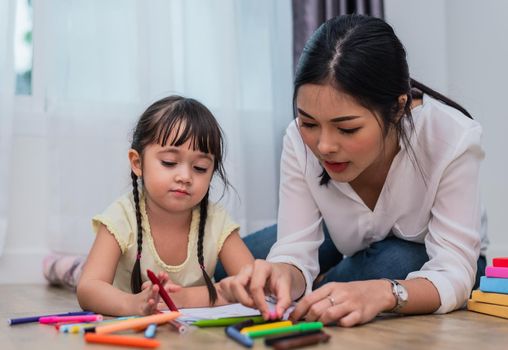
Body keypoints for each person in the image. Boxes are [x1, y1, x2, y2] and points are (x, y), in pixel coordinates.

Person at [219, 14, 488, 327]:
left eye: (346, 129)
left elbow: (453, 270)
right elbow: (294, 249)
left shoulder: (452, 138)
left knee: (396, 263)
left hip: (422, 252)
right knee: (237, 269)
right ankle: (322, 288)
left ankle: (323, 290)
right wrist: (283, 273)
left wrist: (385, 293)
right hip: (339, 235)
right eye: (308, 123)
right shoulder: (298, 140)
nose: (323, 146)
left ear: (398, 108)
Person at [76, 95, 254, 316]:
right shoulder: (122, 216)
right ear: (137, 163)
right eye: (169, 163)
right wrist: (132, 304)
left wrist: (185, 298)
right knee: (81, 274)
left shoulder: (216, 221)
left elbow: (252, 284)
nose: (185, 176)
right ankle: (69, 267)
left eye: (200, 168)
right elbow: (88, 288)